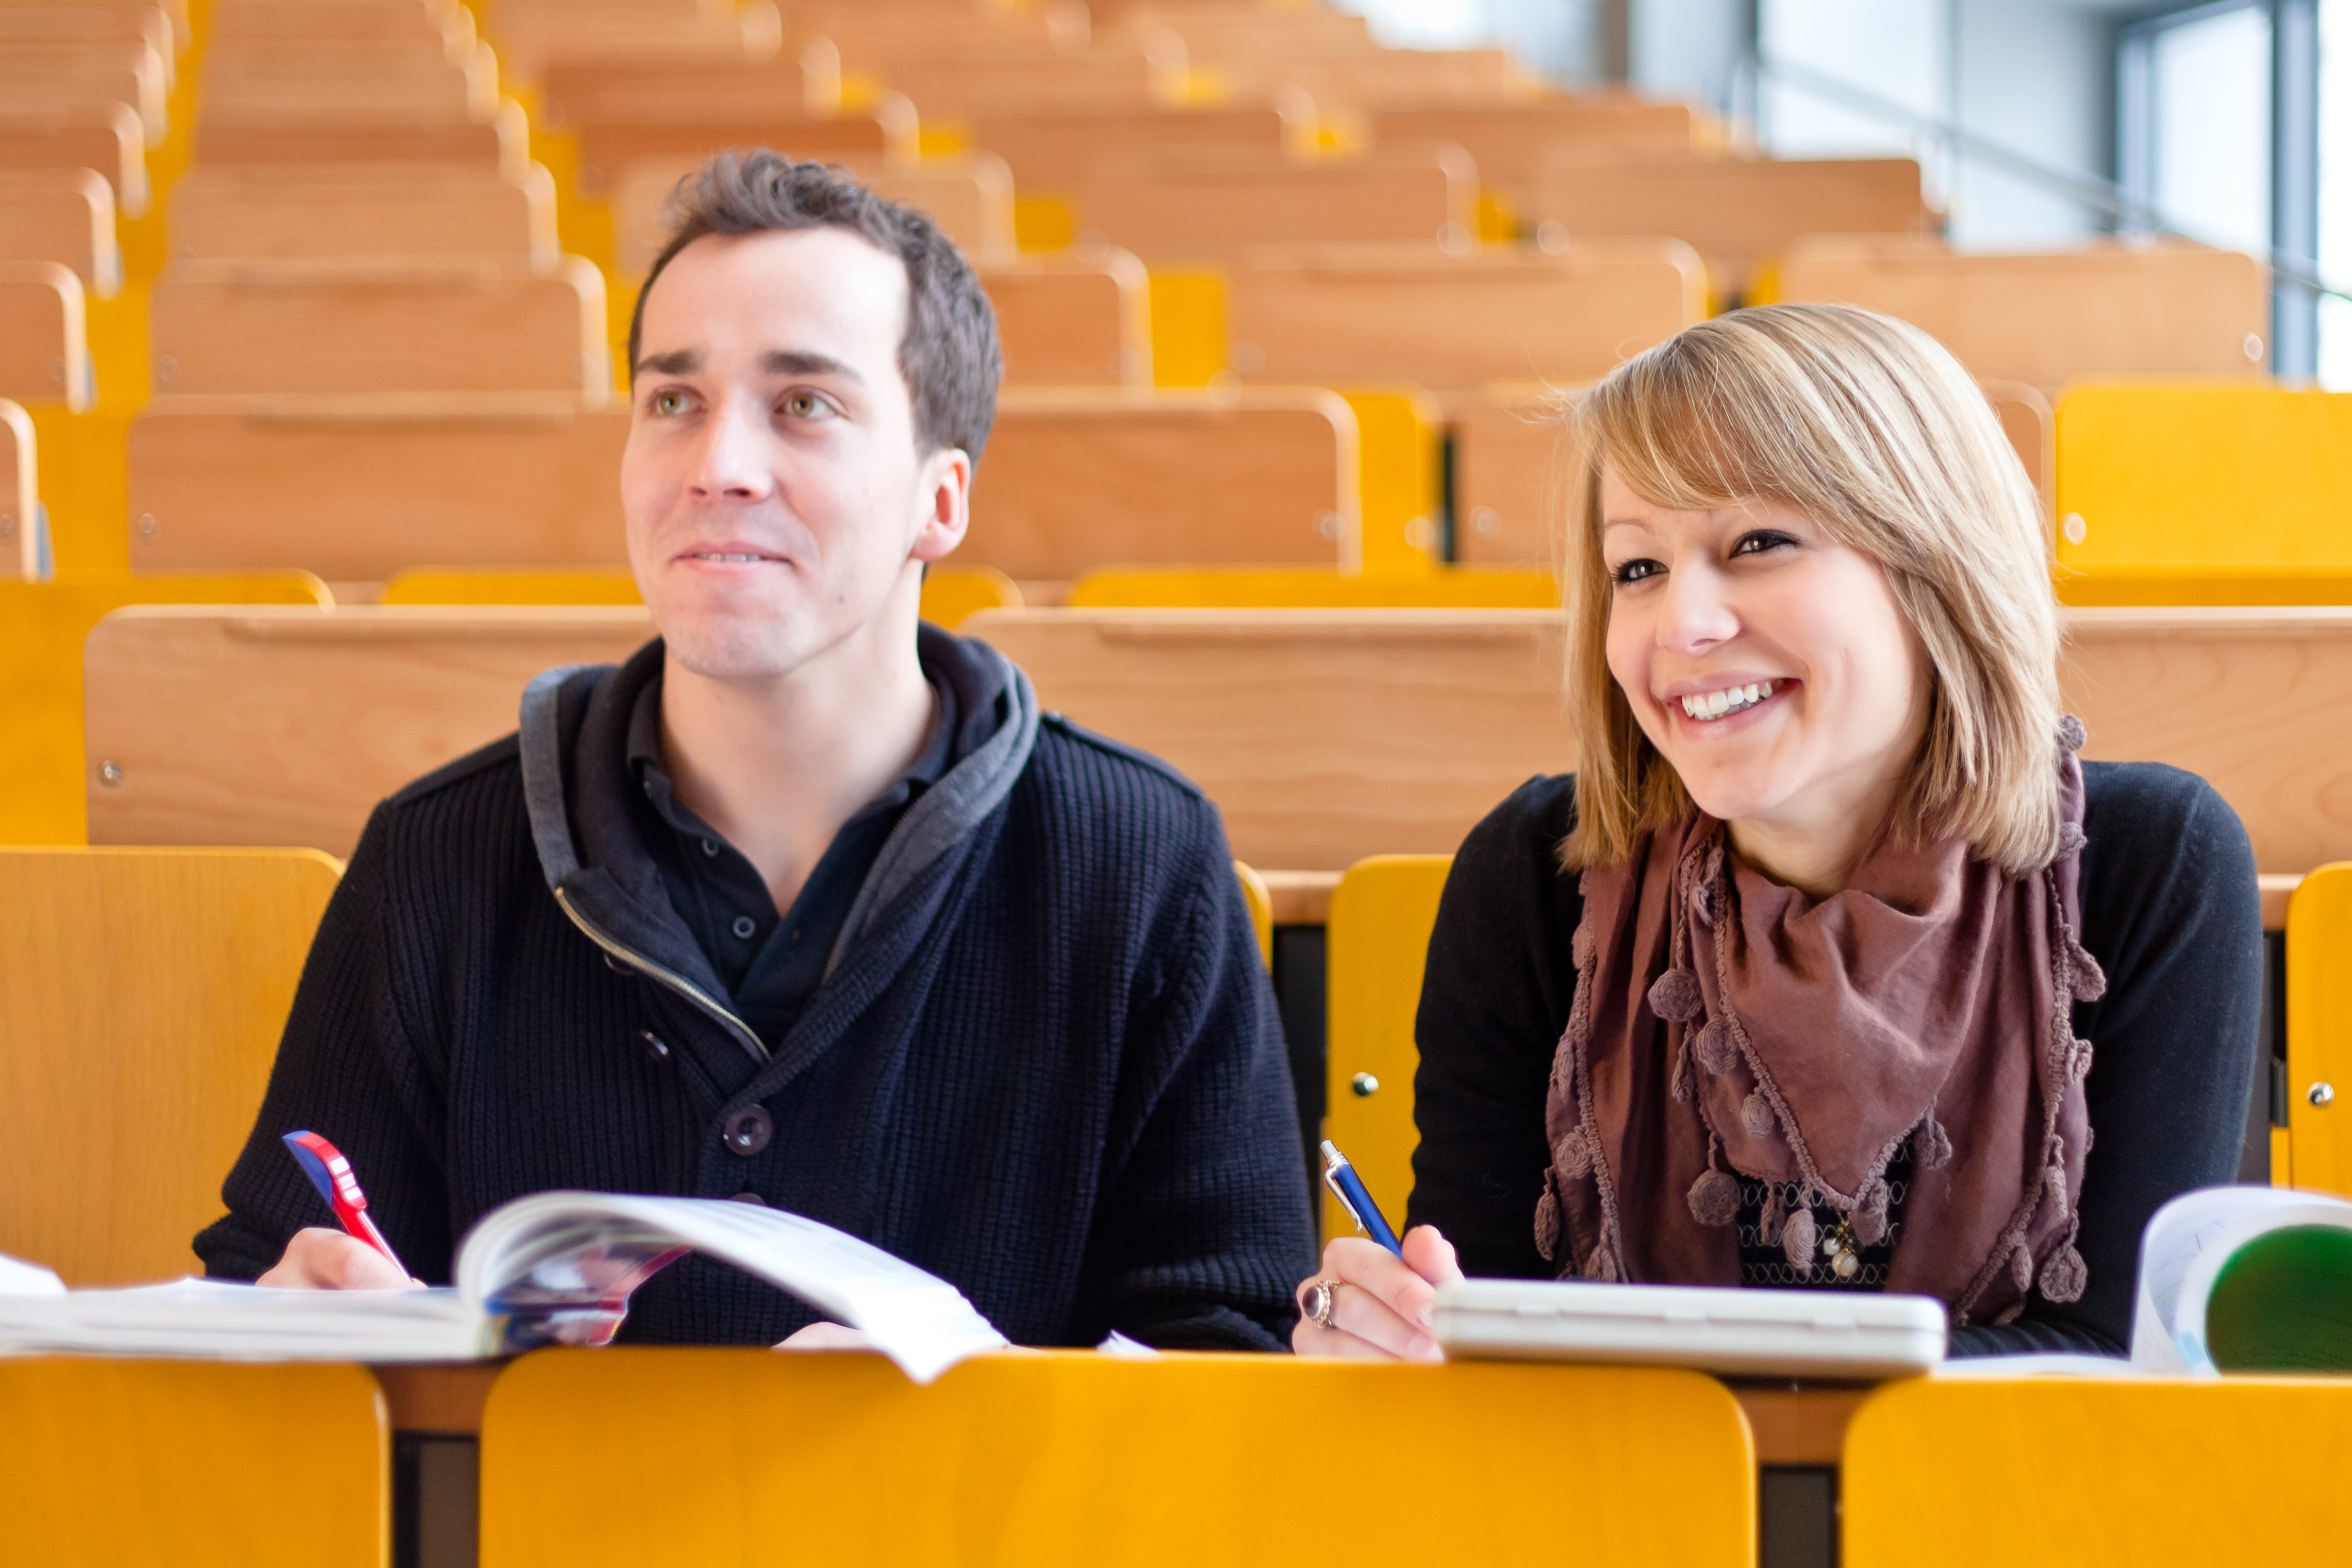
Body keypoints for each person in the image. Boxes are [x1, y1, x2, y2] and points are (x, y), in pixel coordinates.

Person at [196, 152, 1317, 1350]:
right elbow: (273, 1284)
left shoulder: (1143, 863)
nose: (717, 465)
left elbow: (1228, 1361)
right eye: (672, 401)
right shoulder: (436, 857)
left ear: (941, 501)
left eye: (804, 406)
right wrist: (282, 1323)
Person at [1293, 304, 2263, 1360]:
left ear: (1933, 565)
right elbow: (1485, 1353)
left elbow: (2119, 1364)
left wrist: (1620, 1366)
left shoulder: (2154, 861)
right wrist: (1396, 1343)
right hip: (1621, 1521)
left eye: (1757, 543)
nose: (1683, 625)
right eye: (1638, 569)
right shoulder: (1528, 875)